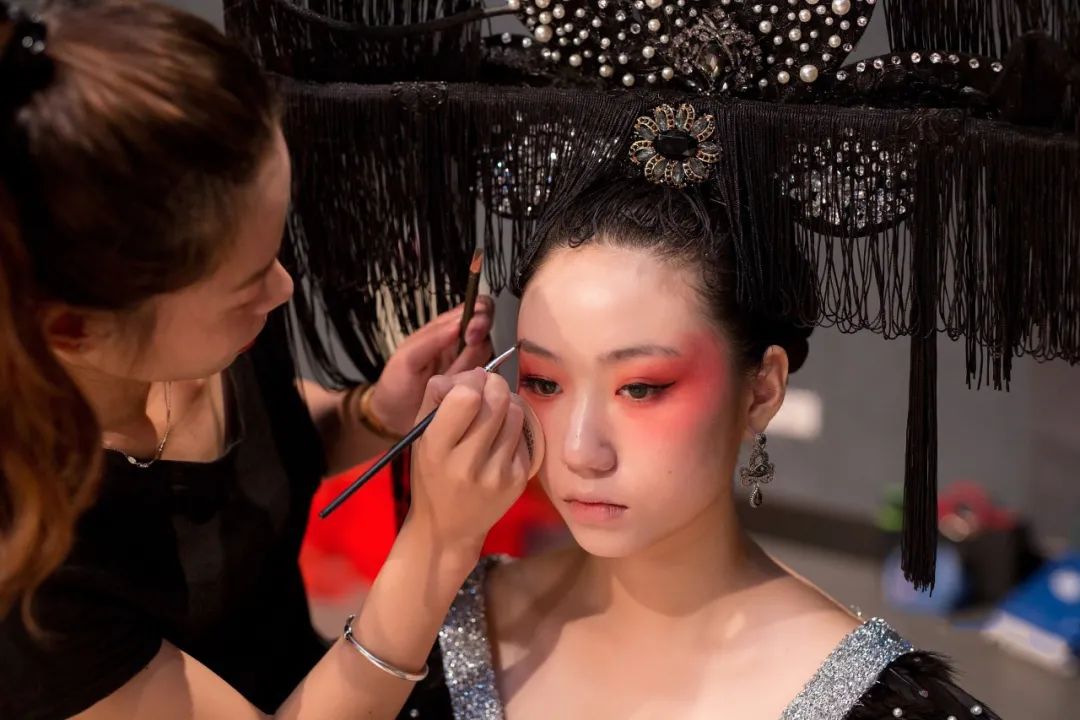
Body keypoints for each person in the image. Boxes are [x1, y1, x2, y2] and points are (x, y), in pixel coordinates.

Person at [0, 2, 532, 718]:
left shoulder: (200, 339)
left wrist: (373, 414)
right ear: (74, 329)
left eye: (275, 252)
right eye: (246, 285)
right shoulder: (26, 580)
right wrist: (440, 541)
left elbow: (263, 449)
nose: (282, 290)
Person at [397, 179, 1003, 720]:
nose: (580, 451)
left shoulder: (879, 704)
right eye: (544, 383)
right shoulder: (428, 635)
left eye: (640, 388)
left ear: (762, 390)